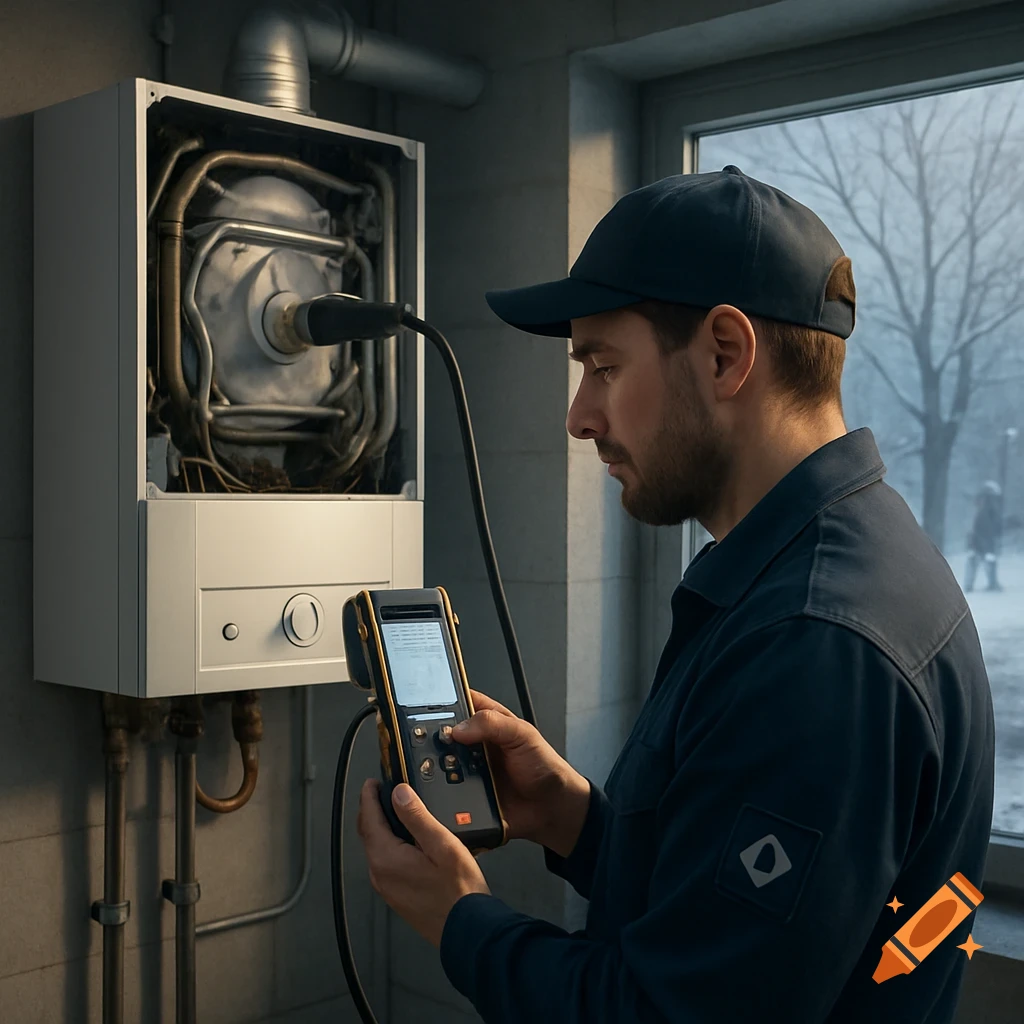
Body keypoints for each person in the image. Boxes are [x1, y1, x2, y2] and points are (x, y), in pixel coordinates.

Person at [357, 167, 995, 1023]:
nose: (580, 416)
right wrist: (577, 822)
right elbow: (748, 927)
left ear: (725, 354)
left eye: (603, 366)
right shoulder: (840, 562)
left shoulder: (816, 645)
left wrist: (461, 921)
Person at [965, 481, 1003, 592]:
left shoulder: (989, 510)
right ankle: (970, 585)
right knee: (975, 562)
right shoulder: (982, 509)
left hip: (983, 541)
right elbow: (978, 527)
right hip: (979, 541)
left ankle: (991, 583)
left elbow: (994, 527)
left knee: (988, 561)